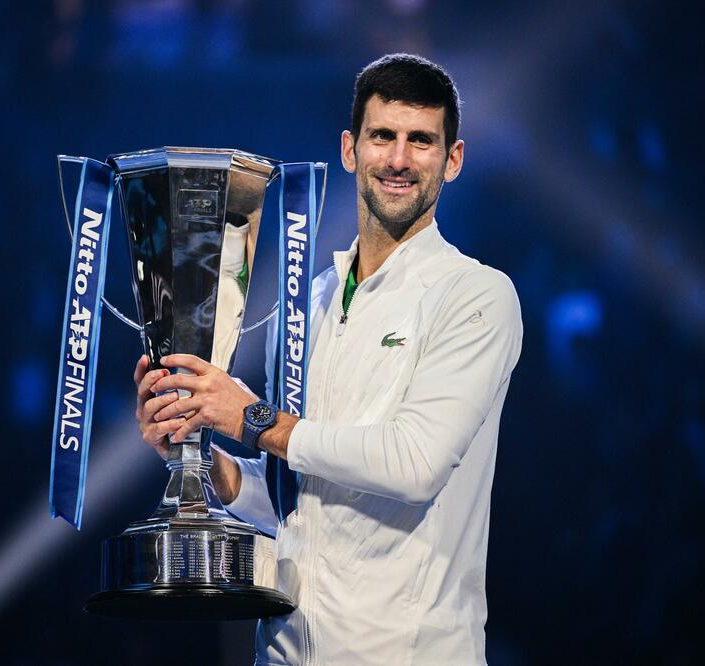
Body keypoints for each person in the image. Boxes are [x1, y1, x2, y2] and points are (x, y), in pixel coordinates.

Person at [134, 53, 523, 665]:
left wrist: (252, 419)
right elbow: (299, 497)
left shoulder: (476, 295)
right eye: (382, 137)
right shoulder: (309, 299)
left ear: (453, 160)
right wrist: (203, 457)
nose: (398, 159)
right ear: (350, 149)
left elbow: (412, 464)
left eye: (421, 141)